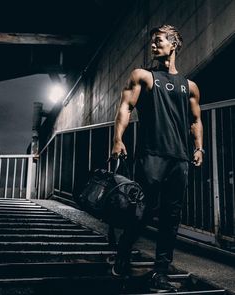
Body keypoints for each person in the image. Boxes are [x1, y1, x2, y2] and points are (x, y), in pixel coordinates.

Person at [111, 24, 204, 292]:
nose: (153, 45)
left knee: (171, 217)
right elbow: (126, 106)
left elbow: (195, 120)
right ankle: (122, 258)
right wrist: (118, 139)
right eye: (152, 42)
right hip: (151, 156)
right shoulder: (143, 76)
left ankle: (160, 272)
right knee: (141, 212)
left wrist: (199, 148)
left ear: (173, 44)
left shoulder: (190, 86)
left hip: (179, 159)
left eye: (159, 41)